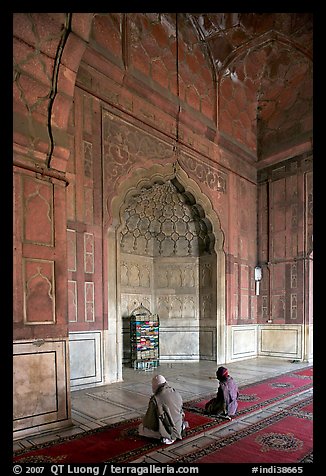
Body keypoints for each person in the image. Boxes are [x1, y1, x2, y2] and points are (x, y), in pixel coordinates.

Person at [138, 374, 188, 445]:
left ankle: (167, 437)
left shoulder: (156, 398)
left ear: (155, 386)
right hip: (178, 425)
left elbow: (150, 423)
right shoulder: (176, 392)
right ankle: (179, 429)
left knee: (141, 429)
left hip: (169, 430)